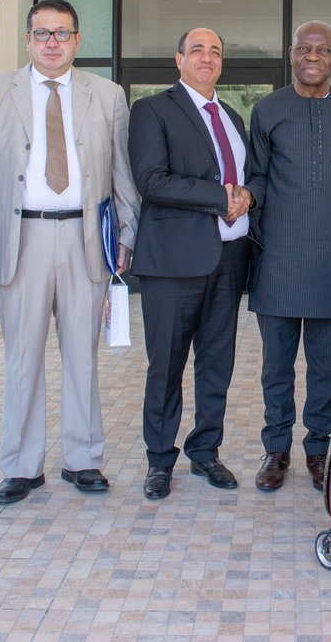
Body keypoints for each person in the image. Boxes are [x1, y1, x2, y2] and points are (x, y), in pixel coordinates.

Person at [0, 0, 140, 504]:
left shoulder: (107, 95)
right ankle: (21, 466)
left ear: (78, 40)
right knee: (22, 357)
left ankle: (83, 459)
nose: (53, 42)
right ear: (28, 40)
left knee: (82, 354)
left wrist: (126, 235)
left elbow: (122, 172)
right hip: (21, 239)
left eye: (62, 33)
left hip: (86, 239)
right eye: (42, 34)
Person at [246, 21, 331, 492]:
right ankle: (275, 450)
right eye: (304, 48)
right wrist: (245, 200)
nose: (312, 56)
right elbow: (257, 176)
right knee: (275, 368)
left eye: (322, 50)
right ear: (291, 54)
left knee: (326, 368)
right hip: (277, 259)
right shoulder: (268, 110)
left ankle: (319, 450)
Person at [129, 28, 254, 500]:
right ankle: (160, 459)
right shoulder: (152, 110)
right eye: (197, 50)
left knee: (217, 362)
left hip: (229, 257)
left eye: (215, 51)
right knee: (166, 365)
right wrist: (220, 196)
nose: (207, 57)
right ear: (178, 58)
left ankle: (206, 451)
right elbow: (152, 179)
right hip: (173, 261)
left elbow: (245, 181)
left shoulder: (232, 116)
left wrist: (247, 194)